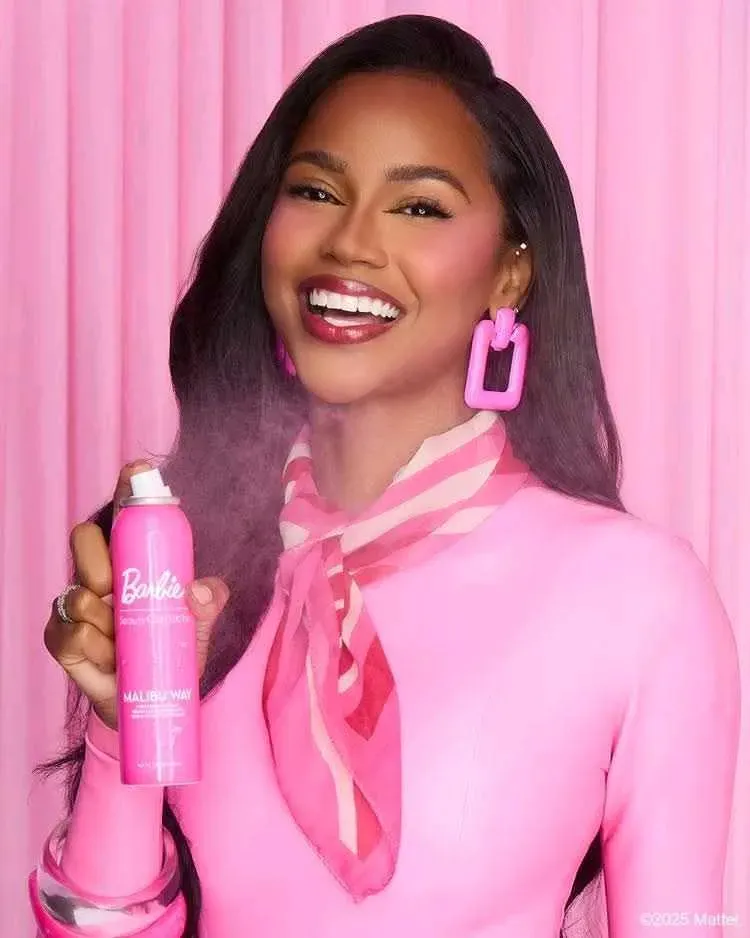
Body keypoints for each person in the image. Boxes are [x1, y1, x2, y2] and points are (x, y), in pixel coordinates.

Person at [31, 14, 739, 938]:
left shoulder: (638, 595)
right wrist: (123, 728)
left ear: (510, 275)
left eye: (419, 207)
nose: (352, 244)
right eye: (317, 191)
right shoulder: (184, 574)